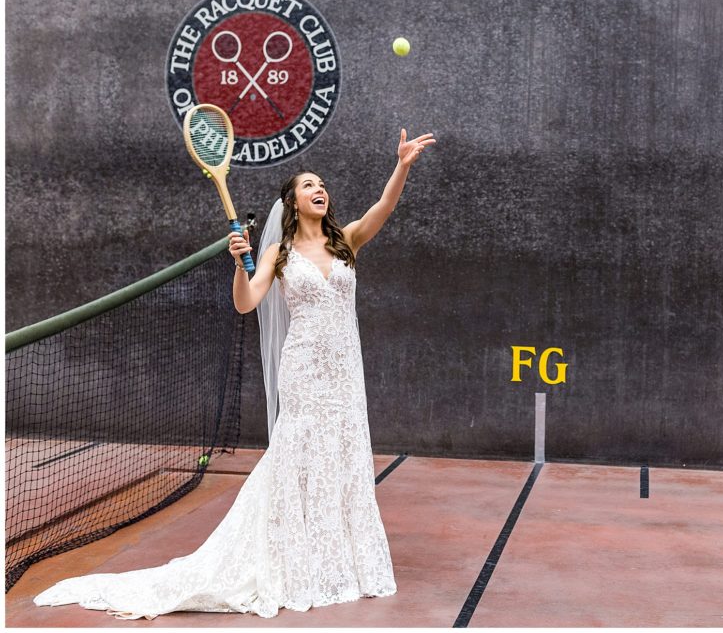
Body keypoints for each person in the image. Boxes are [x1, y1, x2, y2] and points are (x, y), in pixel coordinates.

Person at [33, 128, 436, 619]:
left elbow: (383, 209)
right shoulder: (277, 254)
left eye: (321, 184)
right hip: (305, 370)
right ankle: (291, 558)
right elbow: (246, 303)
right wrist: (239, 265)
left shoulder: (346, 240)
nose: (318, 189)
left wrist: (402, 165)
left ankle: (341, 560)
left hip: (345, 373)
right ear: (291, 203)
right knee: (299, 457)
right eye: (308, 185)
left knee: (343, 455)